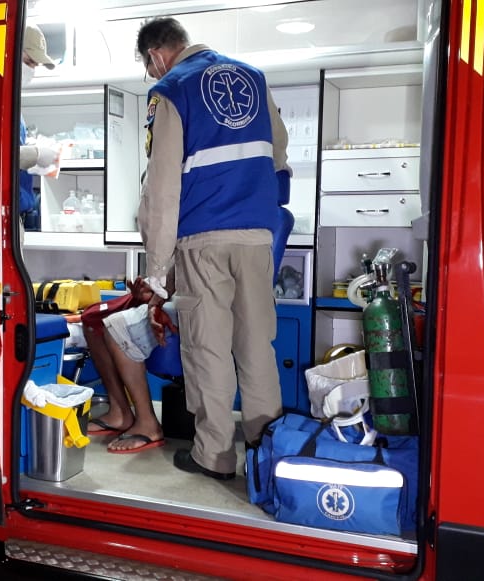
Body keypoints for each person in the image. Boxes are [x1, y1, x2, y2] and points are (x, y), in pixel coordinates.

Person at [134, 17, 290, 480]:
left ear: (155, 57)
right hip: (258, 234)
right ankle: (267, 456)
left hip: (203, 237)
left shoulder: (172, 90)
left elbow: (161, 187)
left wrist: (158, 273)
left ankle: (215, 455)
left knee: (208, 349)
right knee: (257, 345)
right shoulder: (254, 78)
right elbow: (278, 154)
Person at [81, 276, 175, 453]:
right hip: (168, 288)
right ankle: (119, 412)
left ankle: (148, 424)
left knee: (117, 325)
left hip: (191, 296)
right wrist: (152, 286)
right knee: (92, 318)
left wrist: (158, 294)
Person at [18, 24, 60, 228]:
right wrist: (33, 154)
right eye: (28, 62)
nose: (31, 70)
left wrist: (29, 148)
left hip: (16, 217)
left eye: (35, 65)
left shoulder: (11, 104)